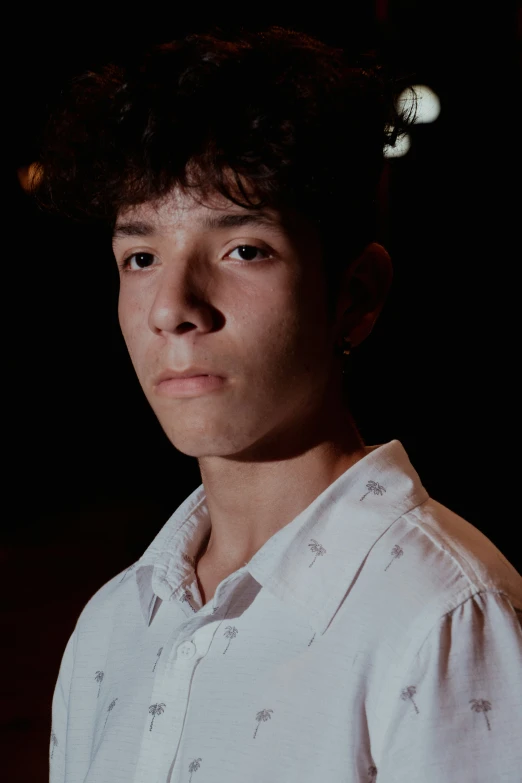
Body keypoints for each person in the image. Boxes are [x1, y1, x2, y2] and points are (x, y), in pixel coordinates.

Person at [35, 27, 522, 783]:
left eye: (243, 249)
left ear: (353, 297)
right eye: (141, 257)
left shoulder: (444, 616)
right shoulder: (111, 626)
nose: (174, 308)